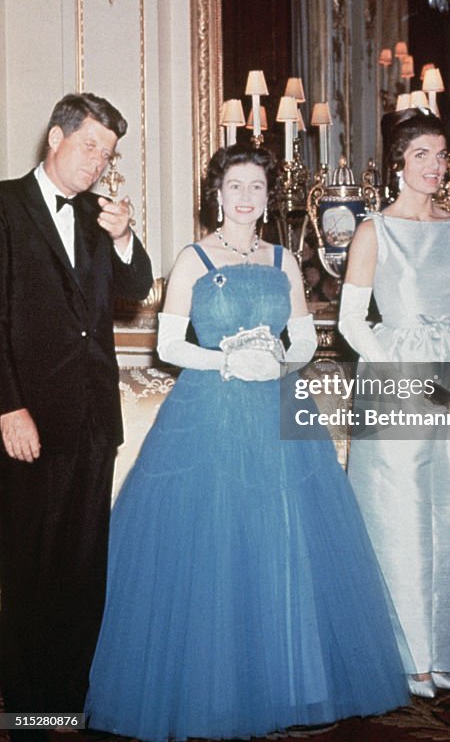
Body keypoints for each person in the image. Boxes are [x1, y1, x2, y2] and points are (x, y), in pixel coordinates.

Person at [86, 143, 408, 742]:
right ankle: (211, 689)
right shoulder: (193, 258)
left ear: (267, 196)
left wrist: (279, 360)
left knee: (283, 540)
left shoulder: (285, 258)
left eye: (256, 187)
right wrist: (228, 358)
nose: (245, 198)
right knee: (212, 547)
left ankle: (289, 682)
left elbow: (308, 341)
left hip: (277, 410)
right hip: (208, 412)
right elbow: (169, 347)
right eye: (235, 186)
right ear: (217, 193)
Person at [0, 93, 153, 727]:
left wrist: (124, 240)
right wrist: (9, 408)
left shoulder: (99, 215)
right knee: (29, 573)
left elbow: (132, 293)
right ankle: (29, 714)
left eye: (108, 153)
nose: (98, 163)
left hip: (94, 419)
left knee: (82, 574)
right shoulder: (4, 207)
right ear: (55, 139)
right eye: (90, 146)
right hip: (28, 421)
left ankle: (64, 709)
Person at [338, 107, 450, 698]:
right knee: (399, 515)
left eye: (441, 153)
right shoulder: (374, 229)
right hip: (394, 376)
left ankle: (445, 649)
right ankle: (407, 656)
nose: (434, 165)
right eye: (421, 154)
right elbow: (352, 321)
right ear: (399, 164)